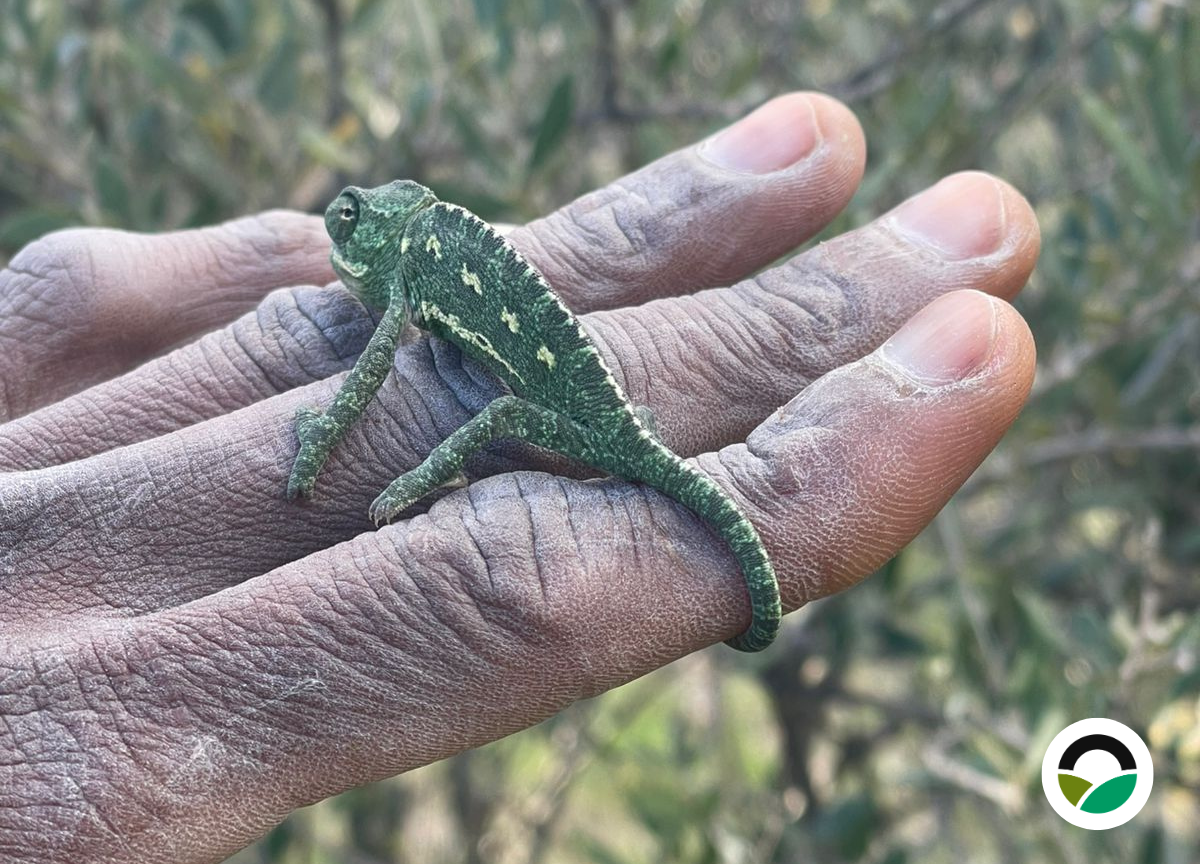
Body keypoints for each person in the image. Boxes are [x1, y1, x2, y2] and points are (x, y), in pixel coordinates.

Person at [0, 92, 1038, 864]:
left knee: (495, 414)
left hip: (576, 415)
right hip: (592, 405)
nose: (343, 234)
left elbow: (369, 375)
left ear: (389, 230)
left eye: (355, 221)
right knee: (500, 409)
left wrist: (324, 448)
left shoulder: (411, 271)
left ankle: (424, 481)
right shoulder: (417, 260)